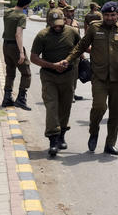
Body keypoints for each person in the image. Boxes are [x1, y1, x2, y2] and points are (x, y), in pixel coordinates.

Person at [64, 1, 118, 155]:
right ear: (103, 15)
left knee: (116, 112)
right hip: (99, 76)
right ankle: (94, 131)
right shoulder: (94, 28)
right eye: (107, 15)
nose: (110, 18)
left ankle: (110, 144)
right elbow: (81, 46)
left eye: (113, 15)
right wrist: (68, 60)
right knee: (99, 106)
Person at [30, 9, 81, 157]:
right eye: (54, 25)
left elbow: (82, 47)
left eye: (60, 24)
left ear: (64, 20)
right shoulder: (42, 36)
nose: (58, 27)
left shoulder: (72, 32)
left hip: (68, 75)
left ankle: (61, 136)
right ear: (48, 23)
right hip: (49, 76)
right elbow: (34, 57)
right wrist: (53, 66)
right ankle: (53, 140)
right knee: (52, 107)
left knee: (65, 107)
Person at [1, 0, 33, 110]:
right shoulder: (22, 16)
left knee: (10, 72)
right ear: (26, 5)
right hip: (15, 46)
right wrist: (21, 52)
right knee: (26, 73)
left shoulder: (7, 12)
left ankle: (7, 98)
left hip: (5, 45)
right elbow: (18, 34)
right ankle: (21, 99)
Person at [62, 5, 84, 102]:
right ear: (64, 12)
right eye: (68, 12)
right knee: (65, 75)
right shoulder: (60, 23)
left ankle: (72, 93)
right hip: (63, 53)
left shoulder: (76, 23)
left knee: (75, 75)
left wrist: (82, 53)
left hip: (75, 53)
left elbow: (79, 40)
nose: (70, 13)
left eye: (72, 11)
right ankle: (65, 94)